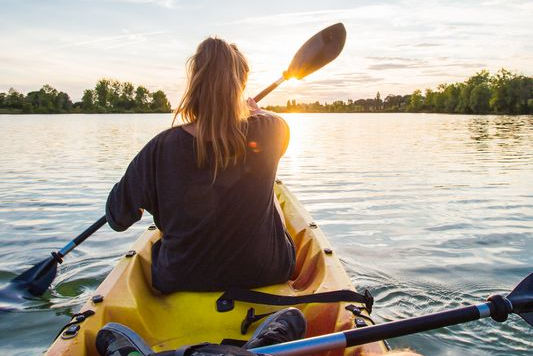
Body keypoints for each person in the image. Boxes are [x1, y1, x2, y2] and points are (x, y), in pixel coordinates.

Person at [105, 37, 295, 293]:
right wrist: (255, 113)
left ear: (195, 84)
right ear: (239, 86)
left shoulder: (159, 148)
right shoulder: (272, 129)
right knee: (272, 194)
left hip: (181, 279)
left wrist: (143, 194)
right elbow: (273, 129)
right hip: (267, 271)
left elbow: (117, 219)